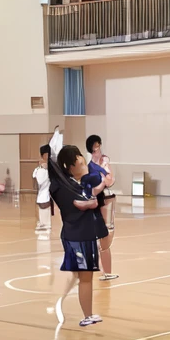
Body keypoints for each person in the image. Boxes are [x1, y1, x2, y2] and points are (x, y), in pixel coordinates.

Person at [48, 130, 102, 326]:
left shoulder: (75, 185)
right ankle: (87, 315)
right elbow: (84, 204)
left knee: (84, 276)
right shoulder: (65, 187)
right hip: (77, 235)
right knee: (85, 277)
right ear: (70, 167)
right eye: (80, 162)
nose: (83, 164)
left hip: (84, 233)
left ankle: (87, 313)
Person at [85, 135, 118, 281]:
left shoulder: (105, 161)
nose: (98, 149)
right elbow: (103, 182)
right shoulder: (90, 166)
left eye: (99, 146)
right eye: (96, 147)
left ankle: (105, 270)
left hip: (107, 199)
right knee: (103, 235)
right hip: (97, 201)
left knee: (108, 232)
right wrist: (104, 180)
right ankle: (104, 271)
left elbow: (111, 180)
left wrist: (105, 175)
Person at [33, 144, 53, 232]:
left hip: (51, 195)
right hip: (43, 195)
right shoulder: (39, 169)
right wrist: (43, 168)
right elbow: (39, 181)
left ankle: (46, 224)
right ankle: (43, 224)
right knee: (43, 207)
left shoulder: (53, 167)